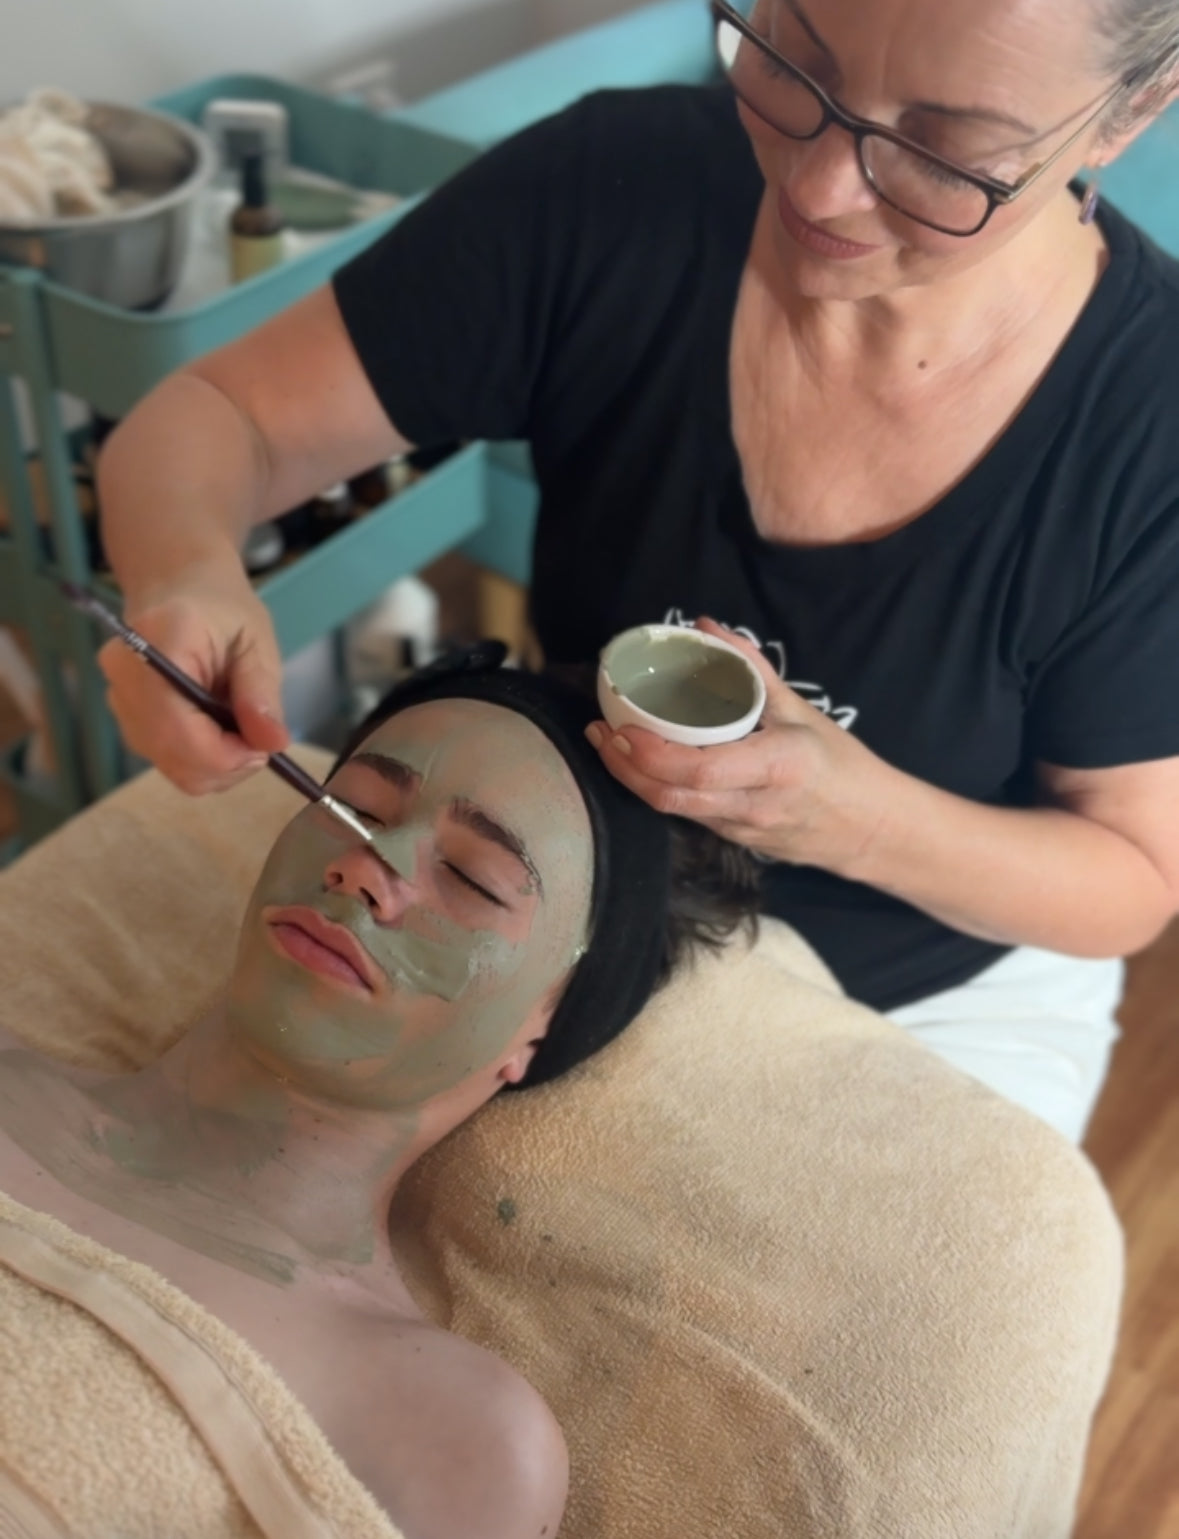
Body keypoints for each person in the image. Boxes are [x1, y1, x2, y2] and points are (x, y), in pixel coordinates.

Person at [96, 0, 1179, 1144]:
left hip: (934, 985)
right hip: (587, 907)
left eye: (943, 153)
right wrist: (185, 568)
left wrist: (841, 817)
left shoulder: (1150, 433)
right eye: (791, 64)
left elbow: (1130, 874)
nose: (816, 191)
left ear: (1132, 112)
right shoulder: (615, 190)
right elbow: (222, 420)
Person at [0, 655, 759, 1539]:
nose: (367, 867)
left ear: (543, 1028)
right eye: (354, 808)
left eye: (473, 878)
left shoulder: (452, 1431)